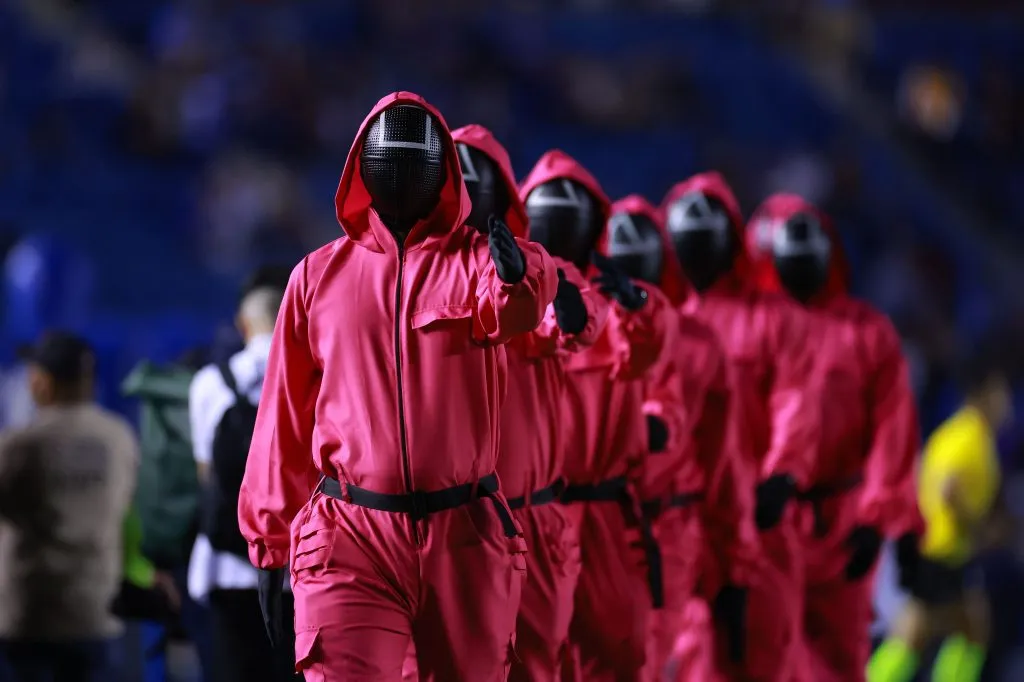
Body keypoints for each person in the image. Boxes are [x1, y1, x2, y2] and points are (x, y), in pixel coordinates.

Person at [237, 92, 557, 681]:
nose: (404, 175)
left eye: (418, 163)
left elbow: (523, 302)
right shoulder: (316, 275)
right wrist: (270, 540)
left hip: (466, 535)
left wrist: (519, 274)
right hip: (349, 534)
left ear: (443, 174)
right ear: (364, 168)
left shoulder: (479, 263)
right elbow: (282, 416)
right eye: (391, 161)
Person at [446, 125, 607, 682]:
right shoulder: (410, 278)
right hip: (449, 523)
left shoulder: (538, 270)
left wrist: (547, 287)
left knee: (537, 667)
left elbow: (578, 326)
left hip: (530, 520)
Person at [746, 194, 921, 682]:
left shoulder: (867, 334)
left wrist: (884, 516)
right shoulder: (750, 325)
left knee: (841, 662)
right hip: (763, 521)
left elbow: (893, 431)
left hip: (840, 524)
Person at [520, 151, 673, 681]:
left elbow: (651, 353)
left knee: (615, 653)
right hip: (535, 510)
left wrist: (633, 305)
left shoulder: (628, 307)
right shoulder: (506, 299)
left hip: (602, 514)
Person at [660, 172, 820, 682]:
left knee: (761, 657)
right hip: (688, 524)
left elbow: (796, 397)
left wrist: (782, 474)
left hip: (761, 524)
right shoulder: (668, 320)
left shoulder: (774, 318)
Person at [602, 194, 760, 682]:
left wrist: (732, 565)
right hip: (623, 529)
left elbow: (722, 463)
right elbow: (723, 466)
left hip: (642, 531)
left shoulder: (574, 329)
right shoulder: (575, 330)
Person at [0, 331, 138, 682]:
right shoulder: (119, 437)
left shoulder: (22, 445)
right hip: (95, 614)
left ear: (42, 383)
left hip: (31, 617)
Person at [868, 354, 1012, 682]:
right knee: (951, 627)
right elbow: (946, 488)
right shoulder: (969, 437)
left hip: (934, 546)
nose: (1007, 403)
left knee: (961, 626)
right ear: (985, 393)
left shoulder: (960, 433)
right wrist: (973, 526)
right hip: (940, 548)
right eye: (1000, 392)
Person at [187, 267, 299, 682]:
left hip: (225, 565)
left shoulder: (209, 384)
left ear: (242, 323)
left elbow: (206, 473)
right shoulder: (317, 374)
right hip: (296, 566)